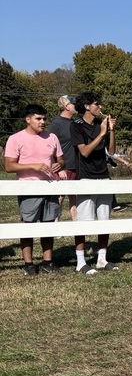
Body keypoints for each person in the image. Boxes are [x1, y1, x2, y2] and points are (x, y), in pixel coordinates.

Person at [3, 104, 64, 277]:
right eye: (38, 118)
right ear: (28, 119)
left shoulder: (52, 137)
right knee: (28, 227)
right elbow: (9, 166)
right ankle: (28, 264)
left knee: (48, 225)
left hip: (50, 186)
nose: (42, 122)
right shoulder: (16, 139)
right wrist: (34, 166)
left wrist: (60, 164)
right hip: (28, 187)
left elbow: (60, 159)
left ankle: (47, 262)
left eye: (44, 118)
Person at [70, 92, 119, 274]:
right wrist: (102, 133)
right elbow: (84, 152)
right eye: (97, 104)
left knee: (105, 221)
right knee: (84, 222)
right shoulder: (76, 126)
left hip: (104, 176)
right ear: (87, 106)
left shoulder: (102, 125)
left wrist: (111, 131)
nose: (100, 107)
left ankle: (101, 259)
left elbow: (111, 152)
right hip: (85, 178)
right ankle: (80, 262)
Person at [47, 95, 79, 221]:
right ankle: (56, 226)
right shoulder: (56, 123)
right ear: (66, 106)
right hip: (62, 168)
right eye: (73, 104)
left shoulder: (76, 123)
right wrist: (58, 167)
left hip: (75, 166)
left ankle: (77, 225)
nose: (75, 106)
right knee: (59, 197)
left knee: (75, 197)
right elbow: (50, 147)